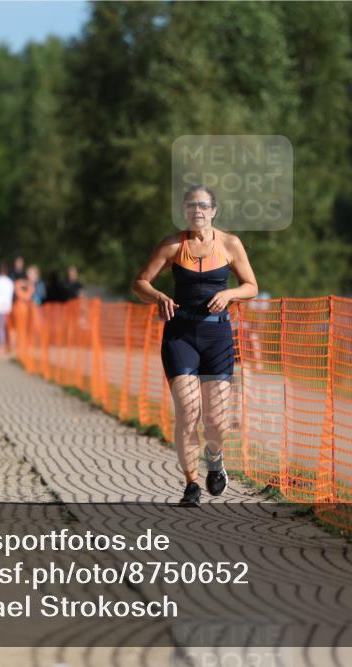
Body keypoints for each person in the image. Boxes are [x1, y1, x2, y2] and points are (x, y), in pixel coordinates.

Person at [132, 185, 258, 506]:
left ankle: (215, 459)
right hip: (180, 336)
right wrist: (159, 296)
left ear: (214, 210)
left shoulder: (230, 244)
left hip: (217, 338)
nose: (197, 211)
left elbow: (251, 286)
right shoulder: (173, 245)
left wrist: (229, 295)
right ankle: (191, 484)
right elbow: (140, 282)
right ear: (184, 211)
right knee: (188, 412)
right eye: (191, 206)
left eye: (203, 206)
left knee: (215, 420)